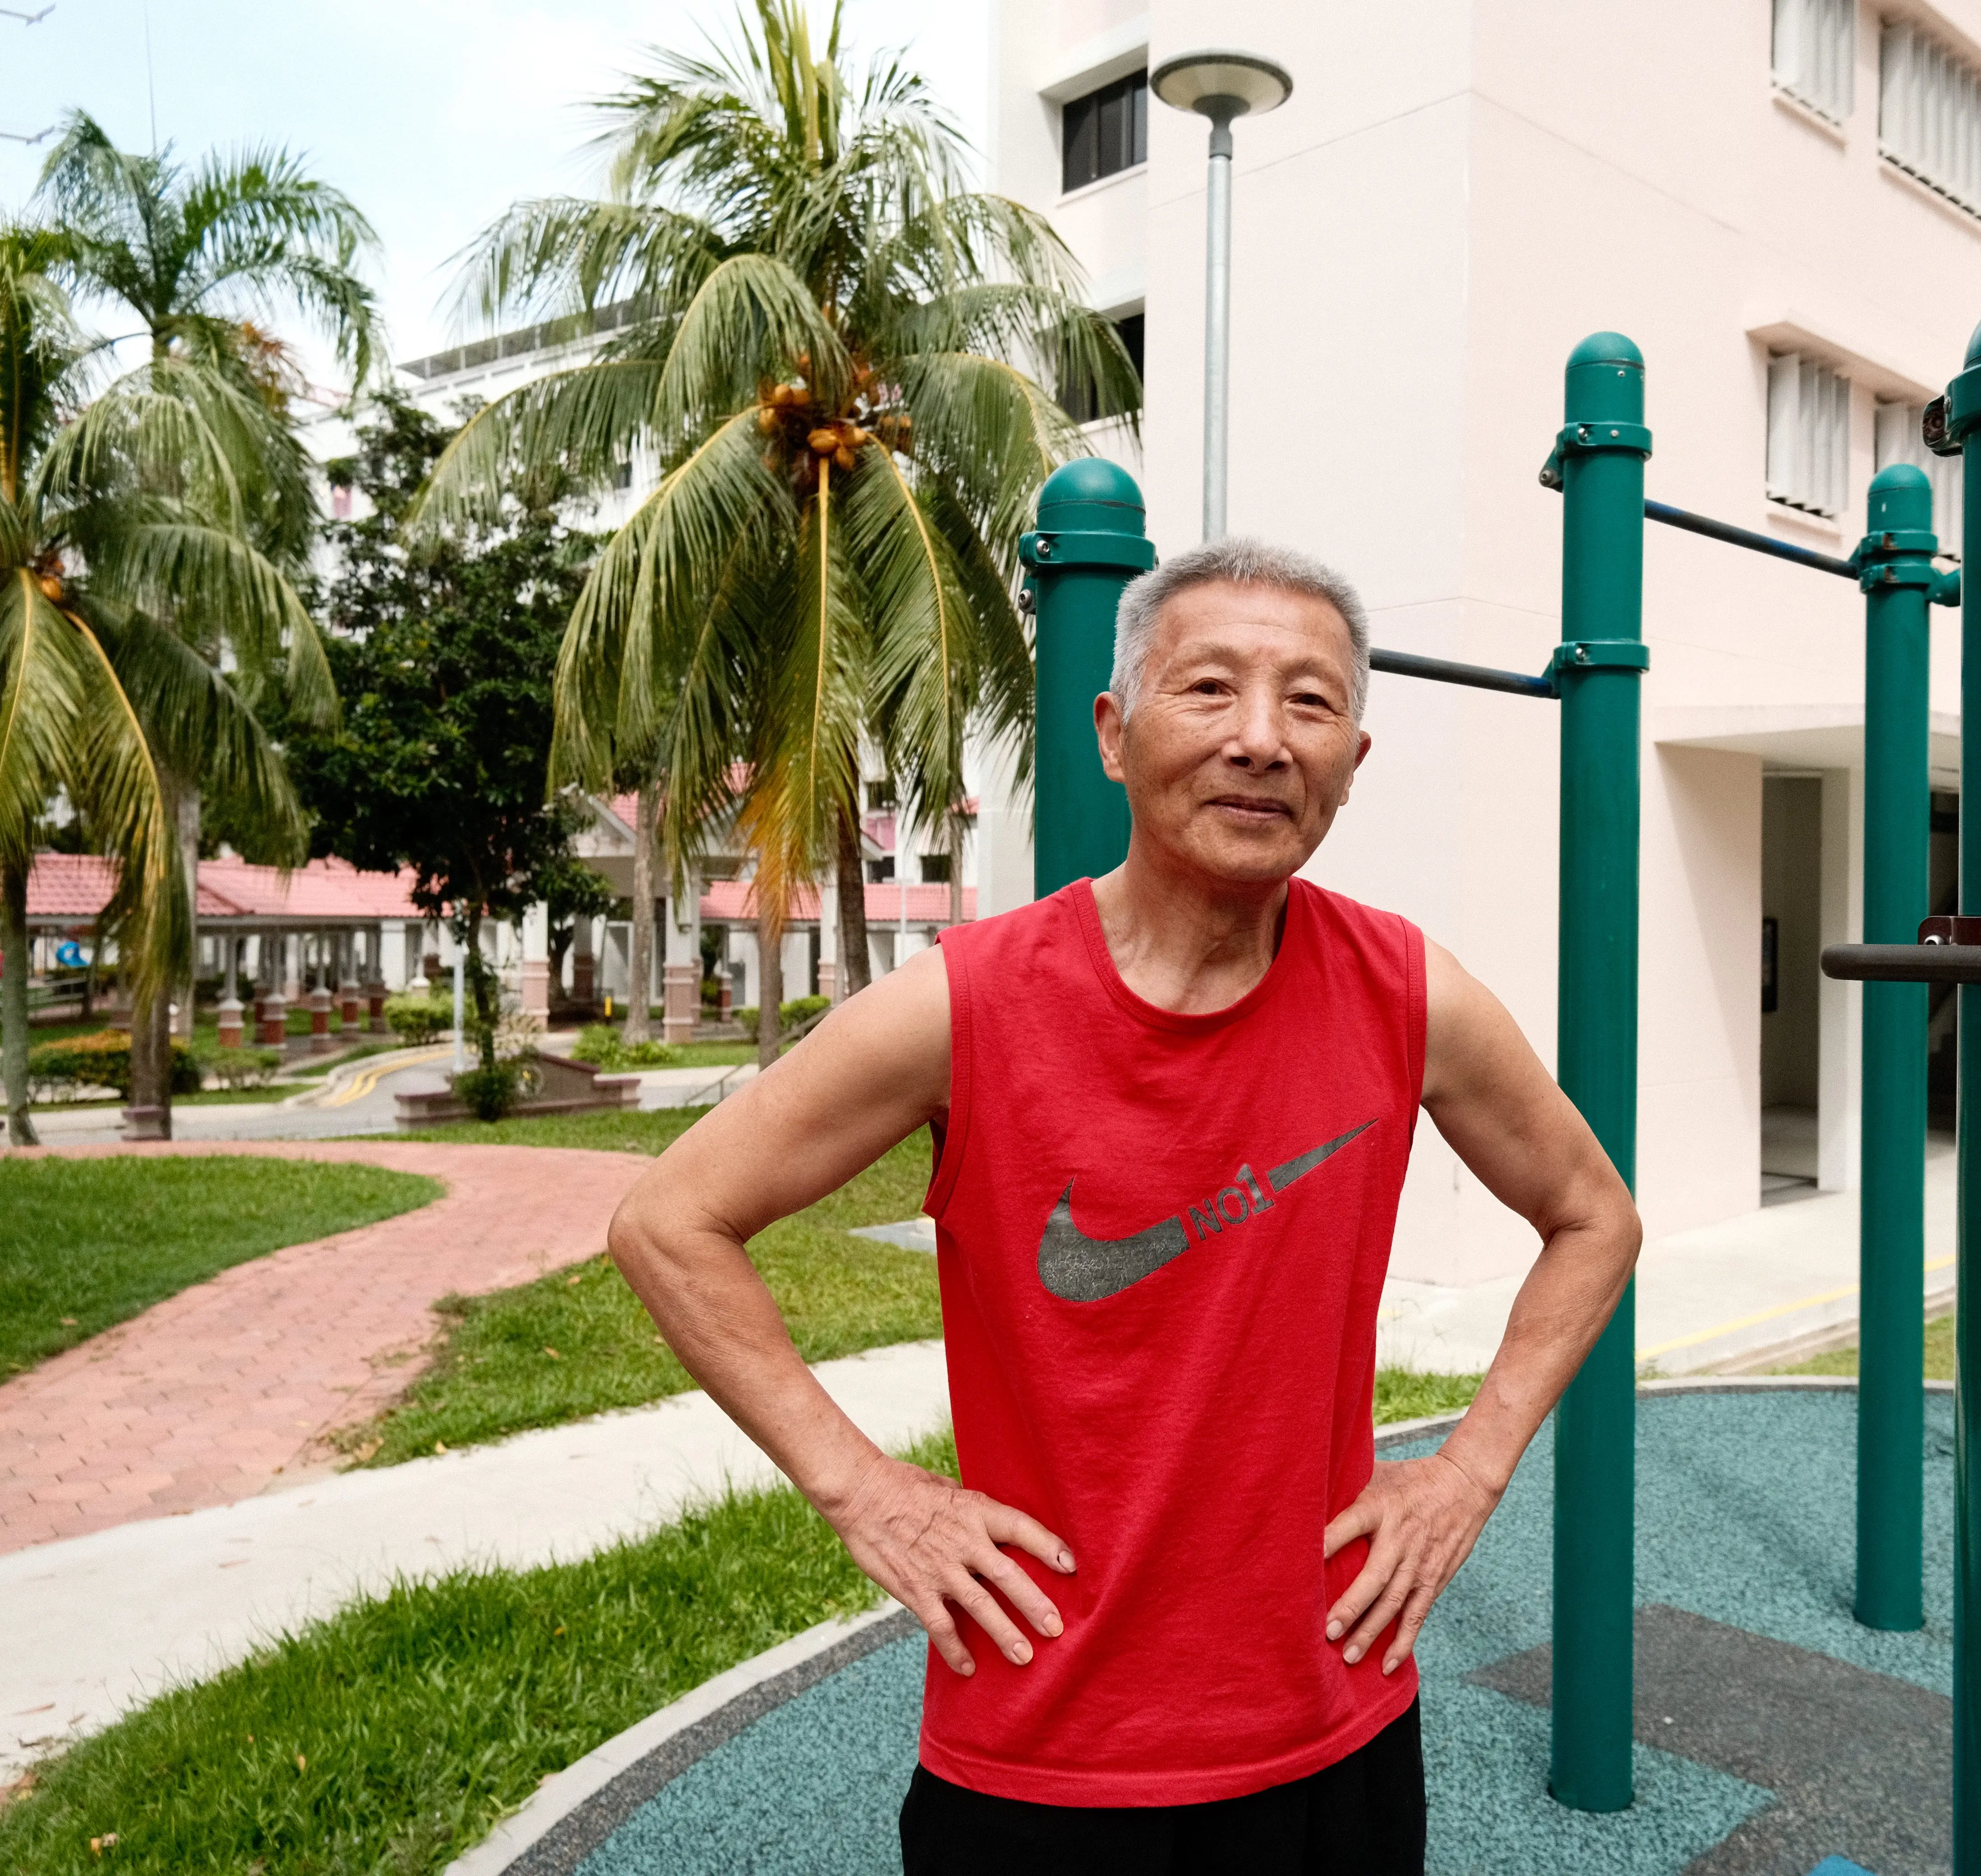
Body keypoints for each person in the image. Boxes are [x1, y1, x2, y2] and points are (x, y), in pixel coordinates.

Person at [605, 537, 1643, 1874]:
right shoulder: (965, 1004)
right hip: (1040, 1752)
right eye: (1209, 688)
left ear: (1352, 764)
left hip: (1334, 1723)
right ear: (1113, 731)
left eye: (1311, 703)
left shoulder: (1405, 991)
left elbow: (1592, 1215)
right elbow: (668, 1220)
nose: (1263, 740)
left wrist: (1471, 1468)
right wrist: (860, 1489)